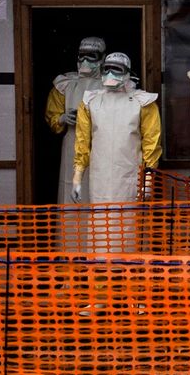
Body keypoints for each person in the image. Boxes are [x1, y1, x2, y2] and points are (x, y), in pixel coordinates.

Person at [70, 52, 164, 253]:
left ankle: (129, 276)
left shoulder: (142, 103)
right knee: (101, 229)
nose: (110, 73)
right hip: (100, 179)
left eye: (117, 69)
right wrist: (77, 176)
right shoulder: (90, 103)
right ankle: (101, 278)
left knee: (128, 228)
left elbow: (151, 143)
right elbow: (82, 142)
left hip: (130, 178)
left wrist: (148, 178)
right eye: (107, 69)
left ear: (128, 73)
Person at [46, 37, 108, 207]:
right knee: (72, 188)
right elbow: (52, 117)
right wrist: (61, 118)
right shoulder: (65, 84)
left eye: (92, 56)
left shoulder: (112, 84)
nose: (85, 61)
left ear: (102, 58)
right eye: (82, 55)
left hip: (103, 145)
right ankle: (72, 234)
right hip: (73, 144)